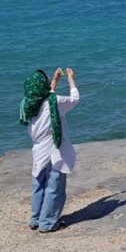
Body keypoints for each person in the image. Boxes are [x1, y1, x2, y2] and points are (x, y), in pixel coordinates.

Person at [20, 67, 80, 233]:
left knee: (38, 185)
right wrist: (71, 79)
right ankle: (47, 223)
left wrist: (55, 80)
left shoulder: (27, 103)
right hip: (54, 150)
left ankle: (36, 219)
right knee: (54, 185)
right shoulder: (54, 102)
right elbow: (75, 99)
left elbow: (47, 95)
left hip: (38, 150)